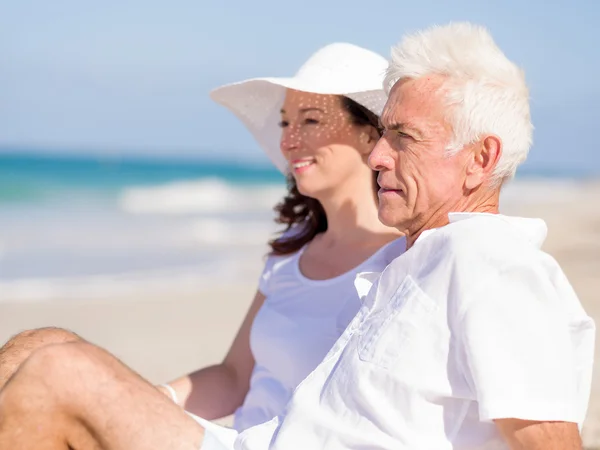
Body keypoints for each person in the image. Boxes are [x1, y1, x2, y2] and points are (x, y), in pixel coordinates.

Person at [0, 22, 594, 450]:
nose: (378, 155)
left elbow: (551, 441)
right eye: (380, 134)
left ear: (478, 159)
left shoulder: (492, 264)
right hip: (263, 439)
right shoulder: (404, 260)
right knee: (39, 344)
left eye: (402, 137)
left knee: (62, 374)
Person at [0, 42, 403, 433]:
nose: (288, 140)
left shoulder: (402, 256)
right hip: (231, 439)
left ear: (370, 136)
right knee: (40, 345)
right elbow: (234, 377)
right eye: (285, 122)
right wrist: (147, 399)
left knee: (59, 371)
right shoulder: (292, 250)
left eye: (311, 120)